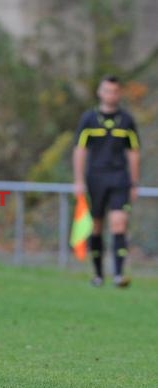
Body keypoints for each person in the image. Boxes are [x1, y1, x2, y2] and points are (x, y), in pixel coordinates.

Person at [73, 75, 140, 288]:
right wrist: (78, 180)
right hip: (95, 178)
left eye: (114, 91)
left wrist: (134, 182)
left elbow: (133, 152)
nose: (111, 95)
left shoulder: (127, 120)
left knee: (119, 223)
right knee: (97, 226)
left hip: (120, 178)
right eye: (107, 90)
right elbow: (80, 150)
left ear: (119, 93)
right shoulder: (89, 119)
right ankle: (99, 275)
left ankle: (119, 275)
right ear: (100, 93)